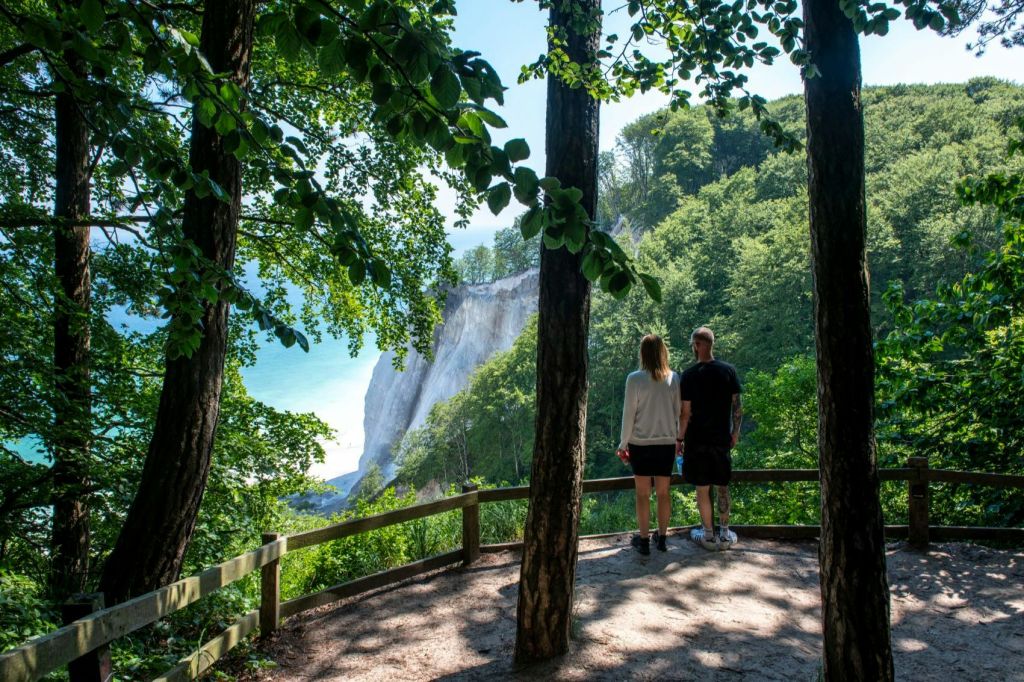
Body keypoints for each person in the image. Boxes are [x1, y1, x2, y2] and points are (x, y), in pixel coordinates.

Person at [677, 326, 743, 551]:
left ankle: (707, 535)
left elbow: (685, 413)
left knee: (702, 488)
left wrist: (679, 439)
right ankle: (724, 534)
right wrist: (735, 433)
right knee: (722, 486)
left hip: (696, 441)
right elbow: (737, 407)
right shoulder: (728, 371)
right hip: (721, 439)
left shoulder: (688, 375)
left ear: (697, 345)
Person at [617, 334, 681, 555]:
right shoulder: (673, 378)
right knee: (663, 493)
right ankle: (662, 539)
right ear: (663, 352)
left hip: (640, 444)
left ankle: (644, 541)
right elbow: (677, 412)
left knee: (642, 494)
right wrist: (678, 439)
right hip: (666, 443)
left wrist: (623, 443)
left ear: (642, 354)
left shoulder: (634, 379)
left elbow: (629, 414)